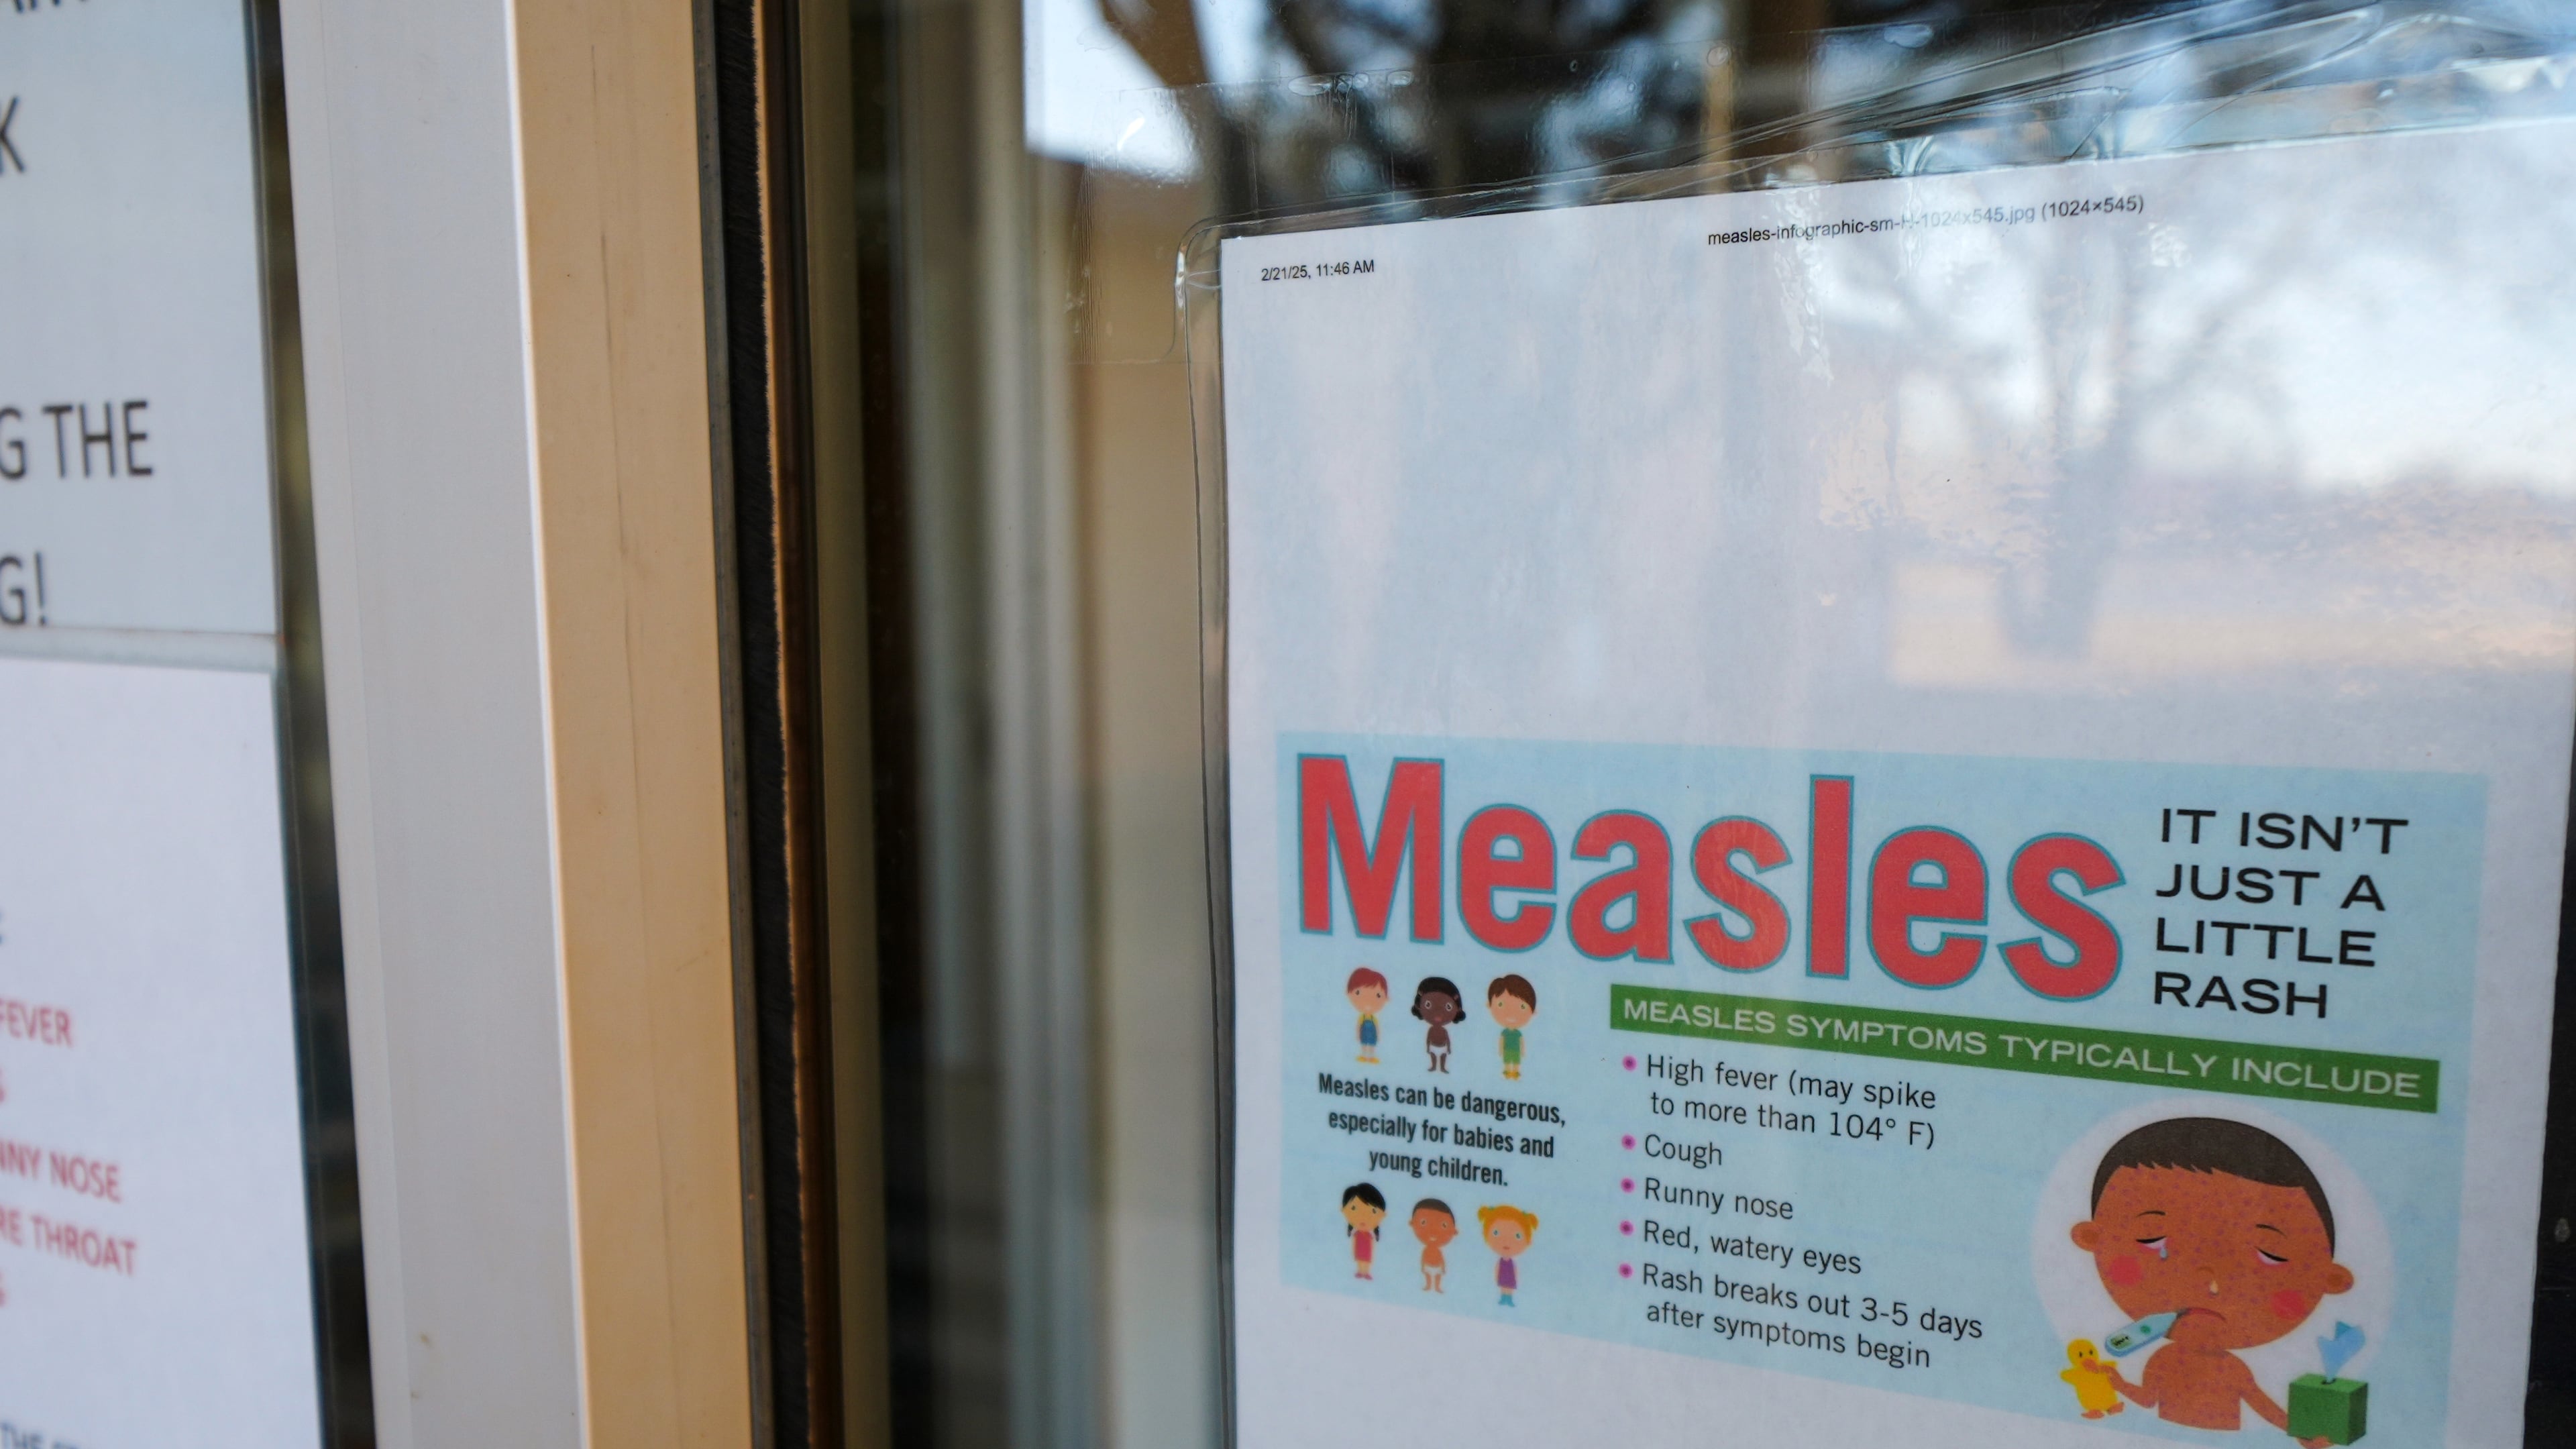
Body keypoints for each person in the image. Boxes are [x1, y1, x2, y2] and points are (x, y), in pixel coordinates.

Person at [2068, 1118, 2353, 1446]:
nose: (2208, 1280)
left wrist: (2304, 1434)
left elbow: (2262, 1405)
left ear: (2329, 1280)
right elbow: (2148, 1400)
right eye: (2153, 1238)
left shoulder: (2233, 1371)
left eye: (2269, 1255)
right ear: (2093, 1239)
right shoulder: (2162, 1361)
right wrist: (2114, 1380)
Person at [1479, 1203, 1538, 1306]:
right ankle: (1503, 1298)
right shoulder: (1501, 1262)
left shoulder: (1511, 1263)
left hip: (1510, 1275)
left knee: (1509, 1287)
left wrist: (1516, 1277)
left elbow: (1515, 1270)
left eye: (1517, 1236)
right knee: (1503, 1286)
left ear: (1528, 1241)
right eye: (1496, 1233)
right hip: (1503, 1274)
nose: (1506, 1241)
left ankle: (1508, 1299)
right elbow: (1497, 1268)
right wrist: (1496, 1277)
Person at [1487, 975, 1537, 1081]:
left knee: (1516, 1061)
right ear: (1489, 1005)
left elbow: (1521, 1041)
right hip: (1507, 1050)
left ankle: (1515, 1072)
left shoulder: (1518, 1033)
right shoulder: (1504, 1032)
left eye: (1522, 1007)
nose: (1511, 1014)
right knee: (1507, 1061)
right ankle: (1507, 1072)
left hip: (1516, 1051)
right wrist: (1500, 1051)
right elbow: (1501, 1041)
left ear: (1534, 1011)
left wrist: (1523, 1051)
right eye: (1500, 1004)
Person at [1411, 976, 1464, 1073]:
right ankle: (1434, 1067)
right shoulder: (1431, 1030)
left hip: (1442, 1046)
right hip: (1434, 1046)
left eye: (1448, 1007)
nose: (1438, 1013)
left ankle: (1442, 1068)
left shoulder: (1444, 1030)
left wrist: (1448, 1047)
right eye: (1428, 1005)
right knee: (1433, 1056)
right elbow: (1428, 1038)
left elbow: (1447, 1038)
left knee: (1443, 1056)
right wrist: (1427, 1047)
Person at [1410, 1199, 1458, 1292]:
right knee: (1428, 1275)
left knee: (1438, 1276)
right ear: (1412, 1224)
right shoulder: (1426, 1250)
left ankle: (1437, 1287)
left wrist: (1443, 1267)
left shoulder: (1438, 1251)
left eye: (1444, 1225)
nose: (1433, 1231)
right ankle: (1428, 1286)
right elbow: (1423, 1258)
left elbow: (1442, 1259)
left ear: (1454, 1231)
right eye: (1423, 1222)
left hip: (1437, 1266)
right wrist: (1422, 1266)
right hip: (1428, 1265)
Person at [1342, 1183, 1387, 1279]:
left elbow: (1371, 1245)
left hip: (1367, 1251)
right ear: (1344, 1210)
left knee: (1366, 1261)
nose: (1363, 1217)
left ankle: (1365, 1272)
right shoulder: (1356, 1234)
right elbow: (1354, 1243)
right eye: (1354, 1208)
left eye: (1373, 1211)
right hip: (1360, 1249)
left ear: (1383, 1215)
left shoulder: (1370, 1236)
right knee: (1360, 1260)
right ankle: (1360, 1271)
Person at [1346, 967, 1389, 1064]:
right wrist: (1358, 1035)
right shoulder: (1362, 1018)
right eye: (1358, 993)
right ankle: (1364, 1056)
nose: (1368, 1001)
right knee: (1364, 1044)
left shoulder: (1374, 1018)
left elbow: (1377, 1027)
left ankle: (1371, 1057)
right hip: (1364, 1033)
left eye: (1378, 995)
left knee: (1372, 1045)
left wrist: (1378, 1036)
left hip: (1372, 1033)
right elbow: (1358, 1026)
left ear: (1386, 998)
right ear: (1349, 994)